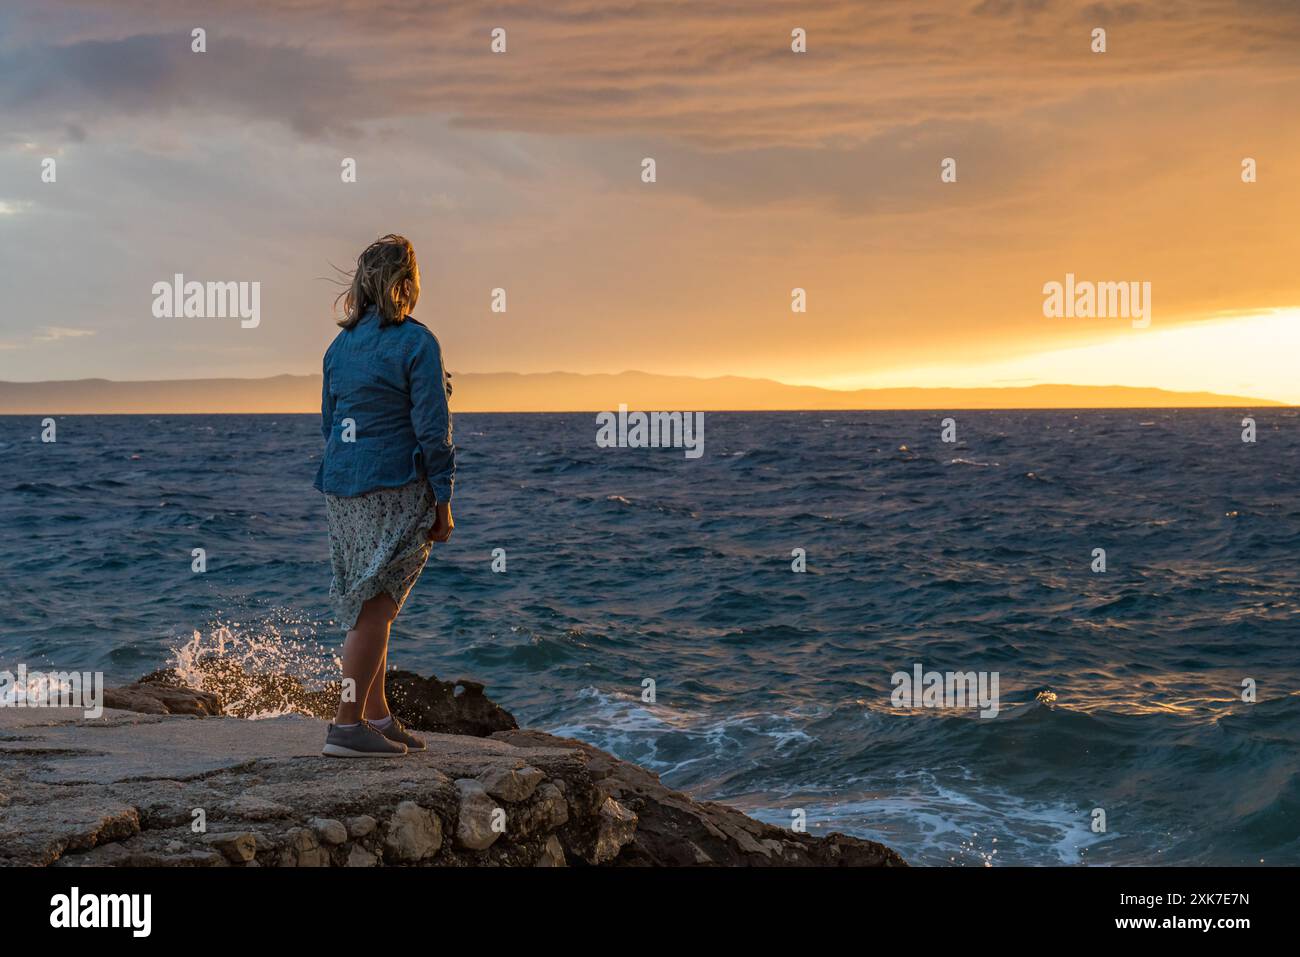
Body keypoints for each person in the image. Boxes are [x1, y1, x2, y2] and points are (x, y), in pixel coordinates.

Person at [313, 234, 455, 757]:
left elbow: (331, 423)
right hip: (396, 486)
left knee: (374, 603)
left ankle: (375, 716)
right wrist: (443, 499)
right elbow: (432, 428)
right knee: (377, 608)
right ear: (406, 283)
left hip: (342, 487)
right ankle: (345, 726)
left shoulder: (339, 347)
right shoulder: (416, 342)